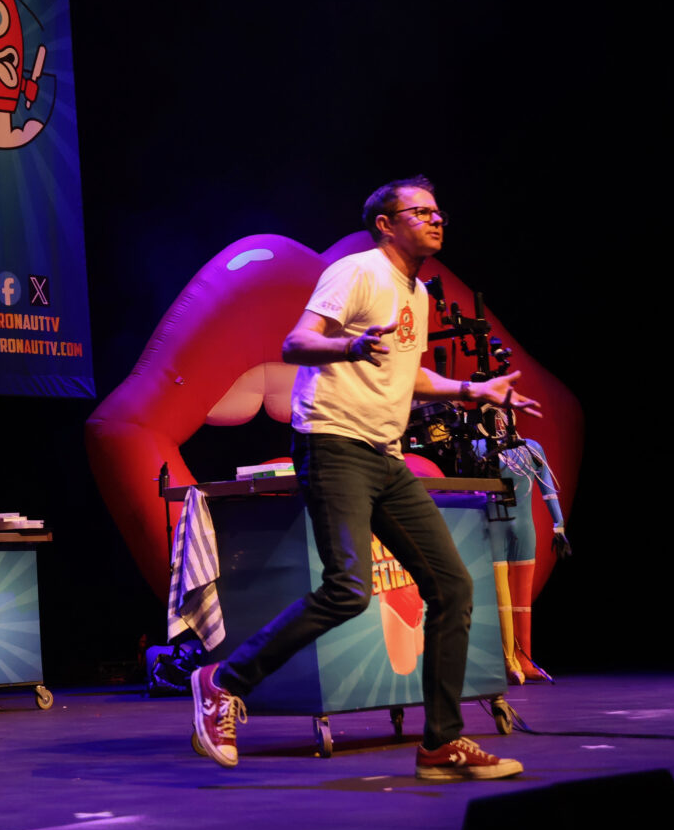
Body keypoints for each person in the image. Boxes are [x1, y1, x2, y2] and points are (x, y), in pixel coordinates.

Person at [190, 175, 538, 781]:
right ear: (386, 223)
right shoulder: (357, 272)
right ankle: (223, 681)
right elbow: (297, 343)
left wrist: (472, 389)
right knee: (348, 589)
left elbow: (410, 374)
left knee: (452, 587)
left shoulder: (417, 294)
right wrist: (348, 349)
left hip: (385, 454)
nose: (436, 220)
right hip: (333, 443)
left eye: (438, 212)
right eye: (420, 212)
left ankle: (441, 743)